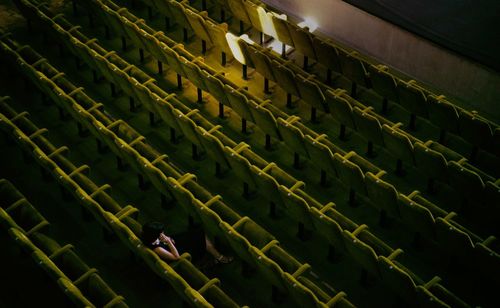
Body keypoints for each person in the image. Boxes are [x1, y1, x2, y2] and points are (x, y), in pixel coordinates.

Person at [141, 221, 233, 265]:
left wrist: (169, 239)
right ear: (154, 235)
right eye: (160, 233)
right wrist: (169, 242)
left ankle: (215, 254)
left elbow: (163, 239)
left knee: (198, 232)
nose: (163, 234)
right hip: (179, 253)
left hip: (173, 244)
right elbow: (176, 257)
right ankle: (219, 257)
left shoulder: (150, 237)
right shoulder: (158, 249)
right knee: (199, 237)